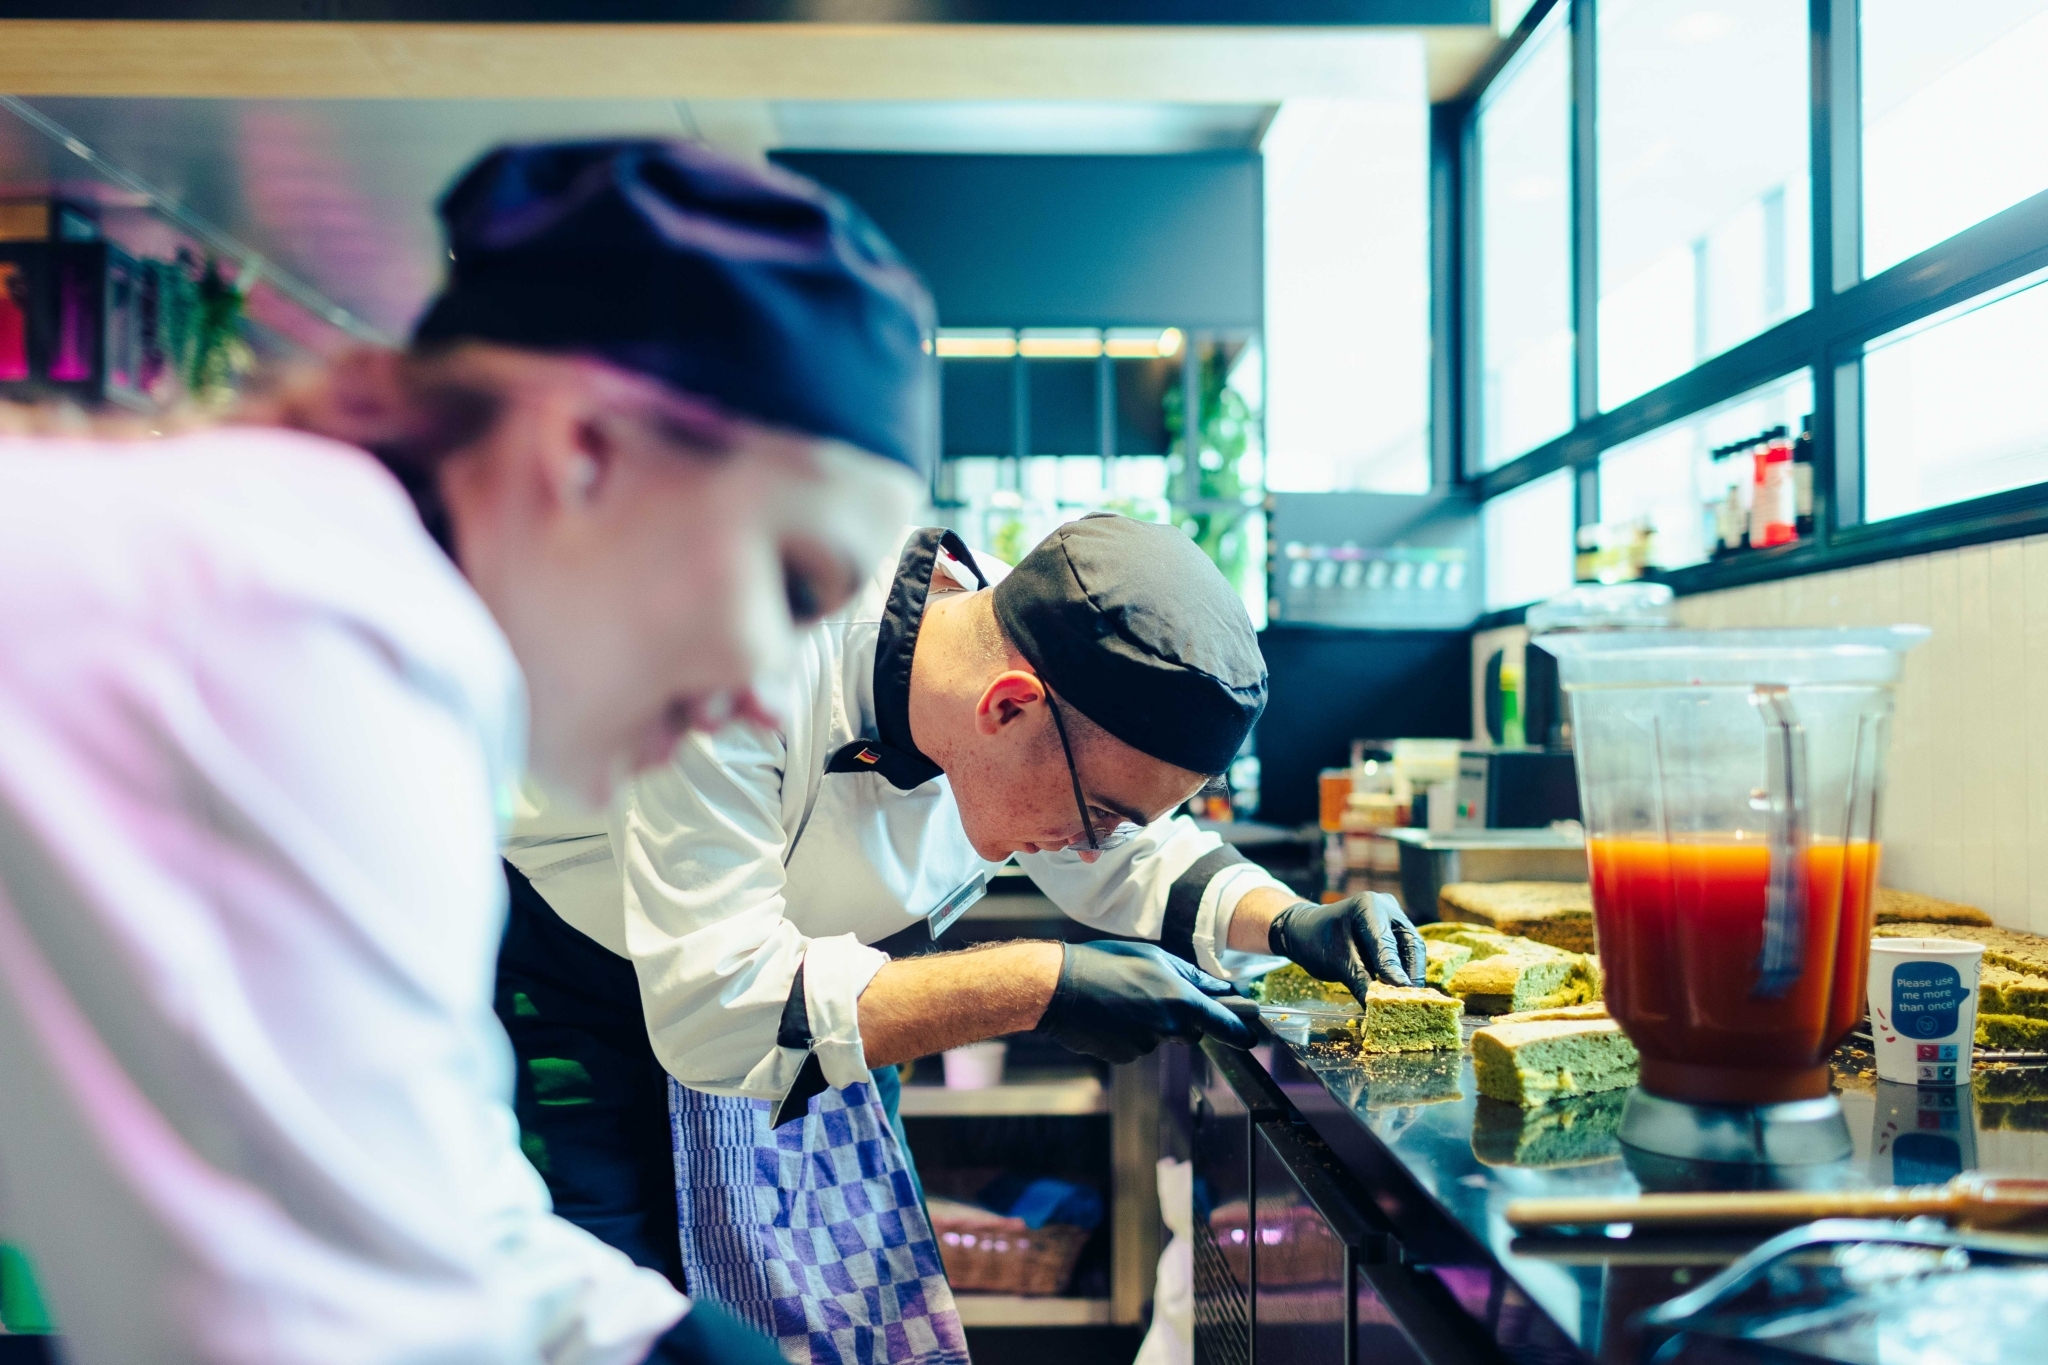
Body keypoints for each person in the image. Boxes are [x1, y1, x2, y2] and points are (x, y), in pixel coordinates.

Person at [0, 138, 936, 1364]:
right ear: (585, 452)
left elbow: (414, 1173)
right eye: (787, 583)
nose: (770, 700)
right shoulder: (301, 636)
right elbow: (301, 1325)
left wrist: (656, 1339)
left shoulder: (351, 614)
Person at [505, 512, 1427, 1364]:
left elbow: (1128, 854)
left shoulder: (1003, 663)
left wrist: (1289, 917)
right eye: (1099, 813)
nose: (1096, 843)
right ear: (1007, 706)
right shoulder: (738, 652)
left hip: (830, 1008)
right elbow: (717, 1008)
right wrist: (1041, 985)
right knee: (633, 1327)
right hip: (585, 996)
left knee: (845, 1320)